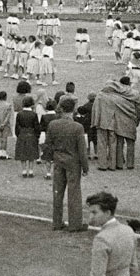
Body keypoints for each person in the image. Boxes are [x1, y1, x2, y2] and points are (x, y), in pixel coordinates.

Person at [46, 98, 89, 232]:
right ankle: (75, 224)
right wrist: (85, 167)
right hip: (73, 162)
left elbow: (48, 144)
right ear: (73, 110)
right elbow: (82, 150)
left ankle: (57, 222)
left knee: (57, 192)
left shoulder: (53, 124)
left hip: (58, 160)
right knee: (74, 192)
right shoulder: (77, 127)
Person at [91, 77, 140, 171]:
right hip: (122, 121)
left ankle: (109, 164)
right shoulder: (133, 94)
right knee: (122, 143)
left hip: (108, 121)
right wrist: (137, 120)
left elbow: (95, 110)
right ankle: (122, 164)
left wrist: (94, 122)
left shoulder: (104, 95)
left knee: (114, 143)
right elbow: (138, 109)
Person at [86, 191, 138, 276]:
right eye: (90, 212)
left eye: (94, 212)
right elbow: (134, 267)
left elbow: (97, 274)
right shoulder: (128, 230)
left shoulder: (101, 239)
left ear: (107, 213)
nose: (91, 217)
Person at [14, 96, 40, 178]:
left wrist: (18, 134)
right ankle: (31, 170)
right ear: (32, 104)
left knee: (23, 153)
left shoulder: (19, 114)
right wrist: (37, 135)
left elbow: (17, 126)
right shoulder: (34, 114)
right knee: (31, 153)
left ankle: (24, 170)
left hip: (22, 133)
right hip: (31, 134)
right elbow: (36, 126)